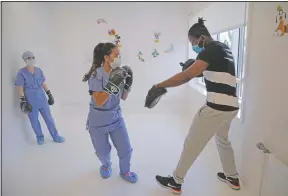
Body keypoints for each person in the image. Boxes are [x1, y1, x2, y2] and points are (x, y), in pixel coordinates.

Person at [150, 18, 240, 194]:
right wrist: (197, 70)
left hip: (216, 108)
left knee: (192, 143)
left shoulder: (209, 49)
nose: (193, 46)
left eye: (193, 42)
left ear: (201, 38)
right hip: (231, 107)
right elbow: (215, 72)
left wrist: (159, 85)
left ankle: (175, 182)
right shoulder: (224, 48)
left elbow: (186, 76)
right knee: (223, 140)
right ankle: (232, 176)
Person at [82, 42, 138, 183]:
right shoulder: (96, 75)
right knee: (102, 151)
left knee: (126, 149)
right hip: (98, 120)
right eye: (116, 55)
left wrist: (128, 84)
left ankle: (125, 171)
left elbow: (123, 97)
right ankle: (106, 165)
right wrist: (112, 83)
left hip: (115, 117)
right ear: (107, 57)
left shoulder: (118, 72)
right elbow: (100, 101)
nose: (120, 57)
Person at [15, 51, 65, 145]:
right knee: (34, 120)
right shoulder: (21, 73)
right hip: (30, 100)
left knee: (49, 119)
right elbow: (20, 88)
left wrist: (49, 94)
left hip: (42, 99)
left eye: (32, 57)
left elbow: (43, 83)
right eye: (28, 58)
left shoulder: (38, 70)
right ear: (25, 60)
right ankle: (39, 137)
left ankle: (55, 136)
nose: (31, 59)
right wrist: (23, 101)